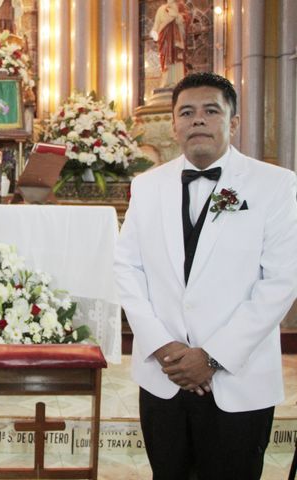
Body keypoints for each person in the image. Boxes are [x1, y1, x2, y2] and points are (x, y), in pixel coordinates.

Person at [114, 72, 297, 479]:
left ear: (232, 123)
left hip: (238, 378)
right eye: (188, 112)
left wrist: (211, 357)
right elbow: (127, 268)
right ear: (174, 124)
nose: (198, 120)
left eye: (211, 111)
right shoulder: (146, 186)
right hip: (165, 377)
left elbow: (281, 281)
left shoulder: (275, 185)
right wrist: (163, 347)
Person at [150, 0, 191, 88]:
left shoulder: (180, 7)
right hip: (165, 40)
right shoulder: (161, 9)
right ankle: (166, 82)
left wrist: (177, 17)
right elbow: (156, 25)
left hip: (177, 40)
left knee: (177, 59)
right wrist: (154, 34)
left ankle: (178, 81)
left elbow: (185, 21)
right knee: (166, 60)